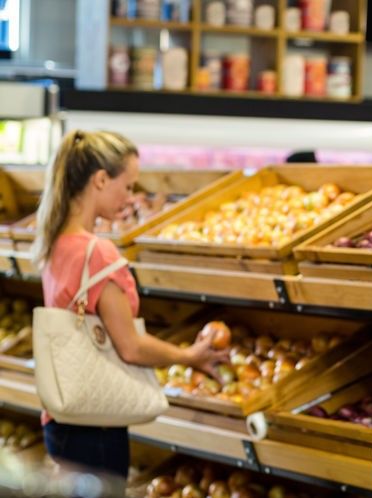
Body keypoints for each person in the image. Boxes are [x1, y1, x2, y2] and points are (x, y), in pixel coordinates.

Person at [31, 130, 229, 490]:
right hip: (96, 423)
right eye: (128, 185)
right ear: (101, 180)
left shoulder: (55, 241)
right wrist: (189, 355)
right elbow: (131, 347)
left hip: (60, 417)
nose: (130, 196)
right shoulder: (98, 253)